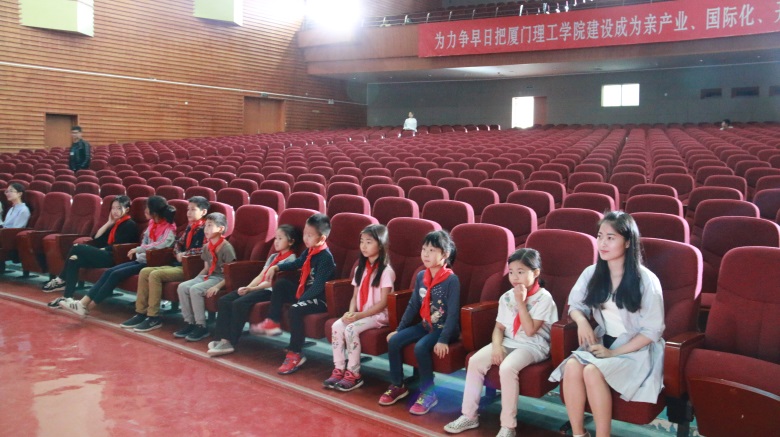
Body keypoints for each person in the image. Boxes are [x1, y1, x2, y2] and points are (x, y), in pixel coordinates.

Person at [549, 211, 664, 437]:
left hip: (637, 349)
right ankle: (579, 434)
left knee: (592, 371)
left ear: (628, 242)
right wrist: (582, 321)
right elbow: (575, 305)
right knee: (571, 367)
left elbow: (653, 331)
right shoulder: (592, 273)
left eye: (611, 238)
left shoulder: (646, 280)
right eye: (600, 236)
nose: (602, 243)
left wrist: (614, 353)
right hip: (604, 341)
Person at [444, 248, 558, 437]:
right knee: (474, 361)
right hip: (508, 340)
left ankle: (508, 426)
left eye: (521, 272)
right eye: (511, 272)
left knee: (507, 367)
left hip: (533, 345)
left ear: (536, 272)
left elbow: (530, 330)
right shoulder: (507, 296)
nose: (515, 277)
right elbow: (499, 328)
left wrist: (520, 302)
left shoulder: (544, 298)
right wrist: (497, 347)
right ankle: (469, 415)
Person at [379, 230, 459, 415]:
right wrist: (399, 329)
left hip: (444, 329)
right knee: (394, 340)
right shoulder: (421, 276)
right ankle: (398, 385)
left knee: (421, 347)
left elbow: (453, 313)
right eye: (424, 249)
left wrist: (444, 339)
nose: (426, 254)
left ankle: (428, 393)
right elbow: (413, 304)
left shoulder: (451, 280)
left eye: (432, 250)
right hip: (426, 325)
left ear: (445, 254)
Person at [59, 196, 177, 317]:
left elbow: (161, 244)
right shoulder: (152, 224)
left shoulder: (169, 227)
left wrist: (139, 249)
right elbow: (145, 242)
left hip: (154, 262)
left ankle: (87, 307)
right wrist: (141, 251)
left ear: (154, 211)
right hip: (142, 259)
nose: (145, 211)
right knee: (109, 272)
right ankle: (82, 304)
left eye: (147, 208)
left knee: (116, 274)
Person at [252, 213, 336, 375]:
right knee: (281, 284)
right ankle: (273, 321)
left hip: (320, 300)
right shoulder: (310, 251)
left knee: (295, 310)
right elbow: (298, 263)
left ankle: (295, 353)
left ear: (322, 238)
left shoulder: (326, 258)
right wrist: (277, 267)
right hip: (305, 293)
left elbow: (318, 287)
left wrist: (300, 300)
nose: (305, 238)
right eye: (305, 234)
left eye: (310, 235)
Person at [207, 224, 301, 357]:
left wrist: (252, 289)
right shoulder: (273, 257)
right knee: (224, 300)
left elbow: (272, 282)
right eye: (275, 238)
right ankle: (220, 338)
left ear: (291, 242)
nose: (276, 242)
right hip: (257, 287)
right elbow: (261, 275)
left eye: (280, 238)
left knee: (239, 303)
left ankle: (230, 342)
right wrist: (248, 288)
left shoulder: (291, 259)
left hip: (269, 291)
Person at [119, 196, 209, 332]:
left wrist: (186, 254)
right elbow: (178, 243)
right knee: (145, 271)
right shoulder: (190, 227)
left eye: (193, 210)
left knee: (155, 274)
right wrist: (178, 252)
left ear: (203, 212)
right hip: (179, 263)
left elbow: (205, 249)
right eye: (188, 209)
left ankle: (153, 316)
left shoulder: (206, 228)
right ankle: (141, 313)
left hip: (192, 268)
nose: (189, 213)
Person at [324, 224, 395, 392]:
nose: (363, 246)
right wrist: (351, 313)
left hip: (378, 315)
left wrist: (359, 316)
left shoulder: (386, 271)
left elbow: (384, 303)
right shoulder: (359, 269)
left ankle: (354, 373)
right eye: (362, 241)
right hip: (361, 313)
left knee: (350, 329)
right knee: (337, 325)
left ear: (380, 244)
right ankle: (339, 368)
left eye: (369, 242)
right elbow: (355, 296)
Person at [43, 195, 137, 307]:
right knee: (74, 260)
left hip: (115, 258)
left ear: (127, 209)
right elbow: (96, 239)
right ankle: (67, 297)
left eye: (119, 208)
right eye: (113, 208)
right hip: (105, 255)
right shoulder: (115, 224)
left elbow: (120, 246)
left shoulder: (130, 224)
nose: (115, 211)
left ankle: (61, 279)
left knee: (77, 247)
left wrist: (103, 249)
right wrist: (109, 223)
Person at [173, 212, 236, 342]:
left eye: (210, 226)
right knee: (183, 287)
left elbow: (231, 273)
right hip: (209, 275)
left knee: (195, 289)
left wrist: (217, 287)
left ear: (221, 229)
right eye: (205, 225)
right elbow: (206, 268)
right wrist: (195, 280)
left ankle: (201, 326)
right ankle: (189, 322)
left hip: (220, 278)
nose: (206, 229)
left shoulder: (226, 248)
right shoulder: (207, 247)